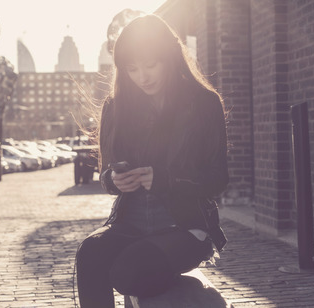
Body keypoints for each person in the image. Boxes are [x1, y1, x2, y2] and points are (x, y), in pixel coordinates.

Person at [75, 14, 229, 308]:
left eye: (150, 65)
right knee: (90, 254)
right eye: (132, 69)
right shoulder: (116, 107)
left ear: (170, 57)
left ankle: (176, 279)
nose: (142, 77)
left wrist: (167, 180)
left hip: (185, 229)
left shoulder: (204, 103)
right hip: (130, 225)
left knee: (127, 272)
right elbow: (105, 176)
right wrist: (114, 179)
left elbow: (218, 178)